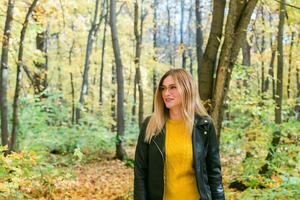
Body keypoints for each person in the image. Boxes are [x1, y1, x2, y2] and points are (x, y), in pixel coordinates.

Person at [134, 68, 225, 200]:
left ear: (187, 89)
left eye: (173, 87)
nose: (166, 93)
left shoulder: (204, 125)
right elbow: (140, 173)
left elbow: (214, 174)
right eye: (163, 88)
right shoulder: (151, 125)